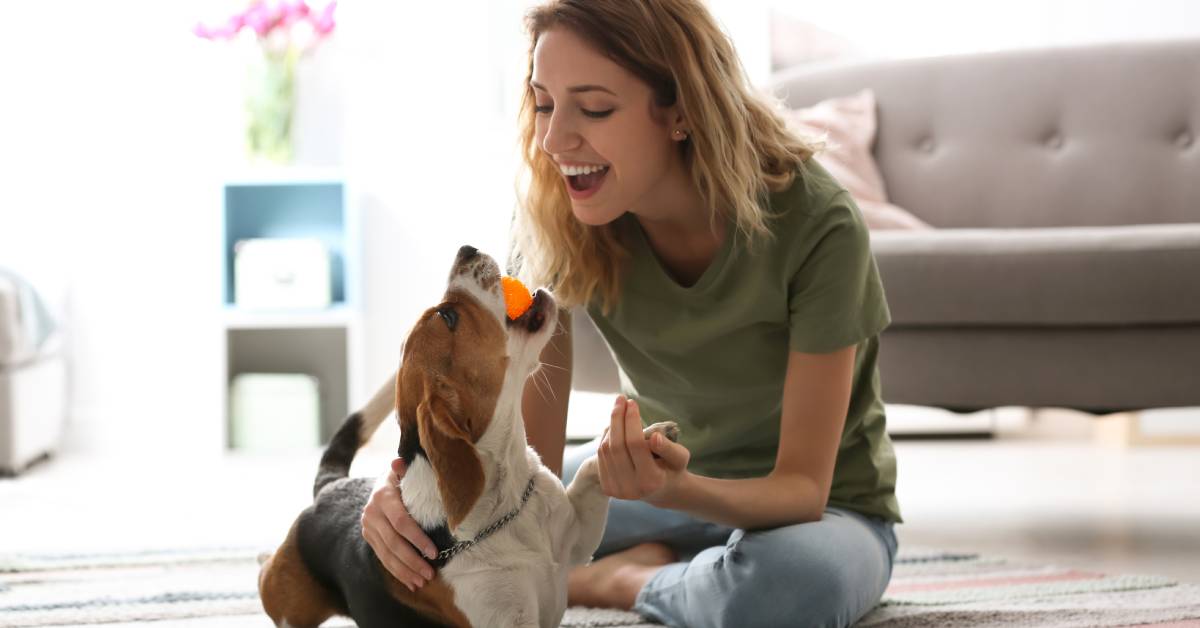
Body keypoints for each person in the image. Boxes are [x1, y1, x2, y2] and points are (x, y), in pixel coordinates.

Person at [361, 1, 901, 626]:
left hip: (826, 510)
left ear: (679, 111)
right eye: (543, 103)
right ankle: (686, 566)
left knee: (784, 596)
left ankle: (626, 580)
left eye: (593, 108)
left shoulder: (817, 223)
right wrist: (402, 492)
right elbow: (524, 459)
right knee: (425, 533)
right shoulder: (553, 216)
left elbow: (803, 491)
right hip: (648, 481)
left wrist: (676, 491)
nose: (554, 140)